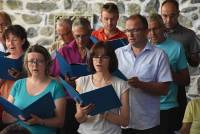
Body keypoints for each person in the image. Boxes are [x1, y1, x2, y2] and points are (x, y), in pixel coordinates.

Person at [115, 14, 172, 134]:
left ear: (146, 31)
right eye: (128, 30)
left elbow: (164, 89)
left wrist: (141, 84)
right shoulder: (117, 53)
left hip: (147, 122)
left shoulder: (159, 55)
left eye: (135, 30)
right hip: (121, 121)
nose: (130, 34)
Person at [2, 45, 66, 134]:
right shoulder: (18, 84)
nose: (34, 65)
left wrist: (40, 121)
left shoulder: (55, 87)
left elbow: (60, 122)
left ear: (47, 63)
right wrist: (19, 116)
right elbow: (5, 118)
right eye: (31, 61)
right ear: (26, 64)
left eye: (39, 61)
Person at [147, 13, 190, 134]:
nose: (153, 33)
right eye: (149, 30)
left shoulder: (177, 47)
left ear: (163, 28)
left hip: (168, 107)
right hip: (146, 107)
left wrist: (169, 73)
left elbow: (186, 80)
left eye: (156, 29)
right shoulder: (143, 48)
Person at [161, 0, 200, 130]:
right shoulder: (153, 33)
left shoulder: (189, 35)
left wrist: (186, 55)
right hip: (154, 89)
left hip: (177, 88)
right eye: (165, 15)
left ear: (178, 14)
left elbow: (195, 64)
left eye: (172, 15)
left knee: (177, 126)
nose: (168, 19)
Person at [75, 42, 129, 134]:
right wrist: (82, 113)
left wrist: (104, 113)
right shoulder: (81, 81)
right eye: (95, 57)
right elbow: (79, 119)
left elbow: (125, 121)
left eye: (104, 57)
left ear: (111, 60)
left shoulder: (121, 84)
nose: (99, 61)